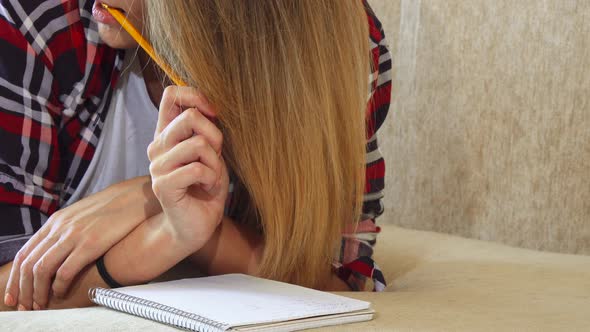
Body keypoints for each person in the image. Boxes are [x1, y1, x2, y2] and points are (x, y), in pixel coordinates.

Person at [0, 0, 391, 311]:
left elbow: (346, 286)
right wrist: (163, 228)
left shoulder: (340, 46)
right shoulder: (40, 23)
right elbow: (9, 286)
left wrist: (182, 224)